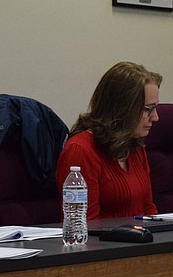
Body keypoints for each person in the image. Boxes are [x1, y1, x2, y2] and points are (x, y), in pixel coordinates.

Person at [56, 61, 161, 219]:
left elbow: (149, 210)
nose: (155, 117)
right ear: (121, 108)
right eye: (148, 109)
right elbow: (85, 224)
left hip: (140, 235)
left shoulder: (135, 146)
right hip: (105, 236)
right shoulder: (80, 151)